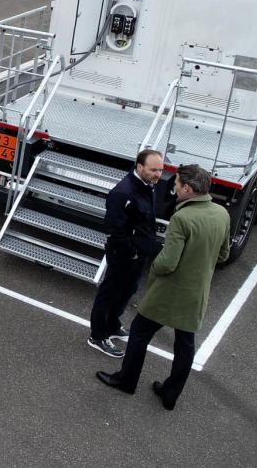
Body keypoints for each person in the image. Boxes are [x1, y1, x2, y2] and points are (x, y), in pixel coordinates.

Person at [96, 164, 231, 409]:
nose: (174, 189)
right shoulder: (222, 214)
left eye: (177, 184)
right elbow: (223, 256)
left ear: (188, 188)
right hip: (197, 292)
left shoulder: (182, 218)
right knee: (185, 344)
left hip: (169, 291)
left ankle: (127, 380)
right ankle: (170, 393)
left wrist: (153, 270)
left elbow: (168, 262)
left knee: (139, 332)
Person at [88, 148, 164, 358]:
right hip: (124, 255)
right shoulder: (122, 193)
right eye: (153, 169)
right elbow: (114, 228)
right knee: (110, 294)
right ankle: (98, 335)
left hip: (139, 254)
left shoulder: (148, 186)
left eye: (160, 169)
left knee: (128, 291)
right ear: (139, 167)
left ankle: (113, 325)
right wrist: (131, 252)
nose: (158, 174)